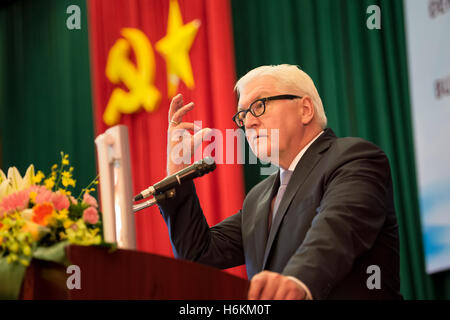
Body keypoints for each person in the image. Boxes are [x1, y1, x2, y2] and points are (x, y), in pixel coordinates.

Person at [158, 64, 402, 300]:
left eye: (259, 105)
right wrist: (177, 171)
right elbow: (198, 254)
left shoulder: (354, 159)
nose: (249, 122)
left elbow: (337, 228)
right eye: (242, 115)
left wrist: (297, 280)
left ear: (305, 109)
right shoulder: (258, 197)